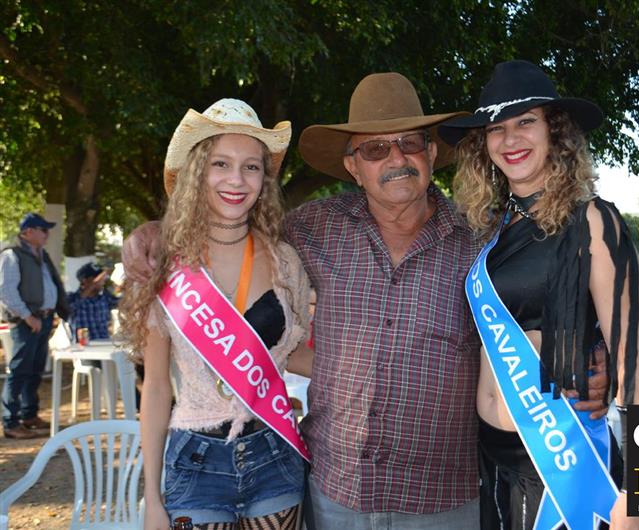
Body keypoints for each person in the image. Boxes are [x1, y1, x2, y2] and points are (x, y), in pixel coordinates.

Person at [122, 73, 608, 530]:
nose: (396, 158)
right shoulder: (311, 228)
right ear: (353, 167)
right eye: (375, 149)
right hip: (335, 495)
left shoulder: (484, 240)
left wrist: (594, 357)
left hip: (443, 500)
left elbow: (553, 304)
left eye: (409, 143)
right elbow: (230, 225)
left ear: (430, 152)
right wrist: (153, 232)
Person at [439, 60, 639, 530]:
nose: (510, 139)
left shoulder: (594, 220)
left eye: (525, 122)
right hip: (491, 455)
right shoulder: (492, 228)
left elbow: (632, 362)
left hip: (562, 458)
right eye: (496, 129)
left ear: (555, 131)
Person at [119, 98, 312, 529]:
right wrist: (152, 498)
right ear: (197, 172)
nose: (236, 180)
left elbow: (293, 353)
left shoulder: (285, 261)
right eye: (221, 163)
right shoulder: (162, 262)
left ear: (264, 180)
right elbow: (155, 388)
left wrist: (367, 372)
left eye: (251, 167)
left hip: (273, 454)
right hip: (195, 463)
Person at [0, 213, 70, 439]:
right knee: (19, 370)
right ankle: (11, 422)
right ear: (28, 232)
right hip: (26, 322)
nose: (47, 234)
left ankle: (29, 416)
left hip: (43, 319)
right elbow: (6, 291)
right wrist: (28, 317)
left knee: (35, 369)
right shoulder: (12, 255)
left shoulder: (40, 254)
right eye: (43, 229)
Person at [67, 263, 119, 341]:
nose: (102, 281)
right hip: (83, 346)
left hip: (104, 344)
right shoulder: (71, 297)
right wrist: (93, 285)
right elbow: (71, 307)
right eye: (98, 278)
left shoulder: (105, 297)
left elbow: (124, 304)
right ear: (85, 280)